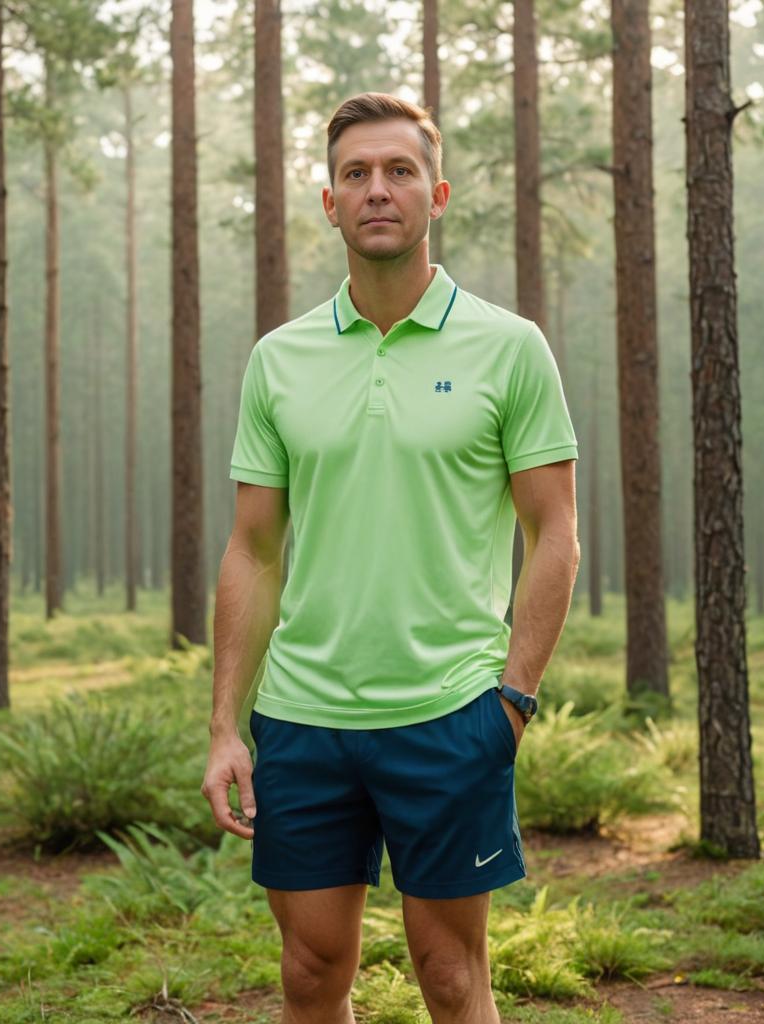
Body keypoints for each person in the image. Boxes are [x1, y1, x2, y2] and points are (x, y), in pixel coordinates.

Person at [201, 91, 580, 1024]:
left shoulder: (510, 348)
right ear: (329, 204)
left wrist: (513, 701)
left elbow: (557, 534)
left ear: (436, 193)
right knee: (308, 970)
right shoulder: (278, 360)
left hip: (451, 713)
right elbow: (252, 551)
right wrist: (224, 725)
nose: (379, 189)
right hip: (302, 719)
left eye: (400, 171)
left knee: (451, 977)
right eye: (357, 174)